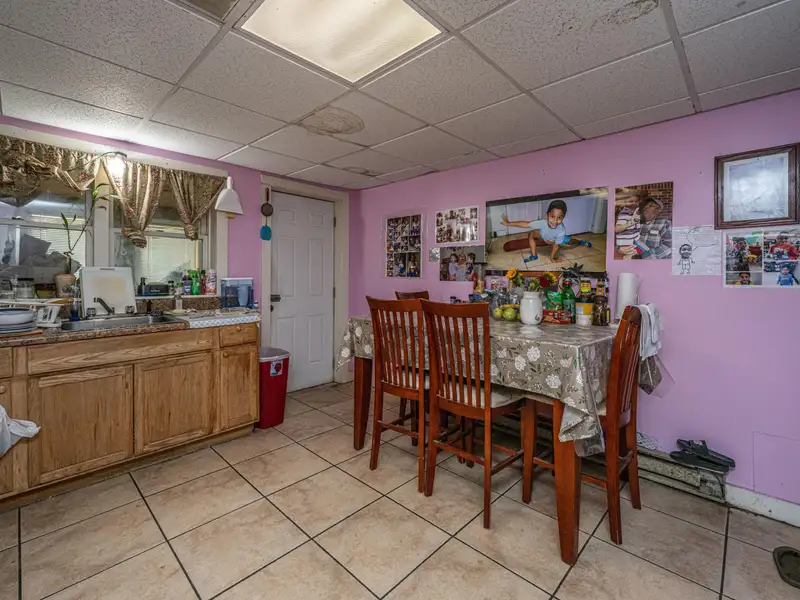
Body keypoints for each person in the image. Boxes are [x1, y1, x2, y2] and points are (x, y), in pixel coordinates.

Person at [501, 199, 591, 263]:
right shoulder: (542, 223)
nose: (555, 221)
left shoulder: (561, 231)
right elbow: (526, 224)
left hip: (556, 239)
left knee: (571, 242)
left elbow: (555, 246)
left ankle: (581, 242)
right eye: (552, 216)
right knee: (531, 233)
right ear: (547, 215)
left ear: (563, 217)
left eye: (559, 218)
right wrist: (508, 223)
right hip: (544, 236)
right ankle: (534, 255)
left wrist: (552, 258)